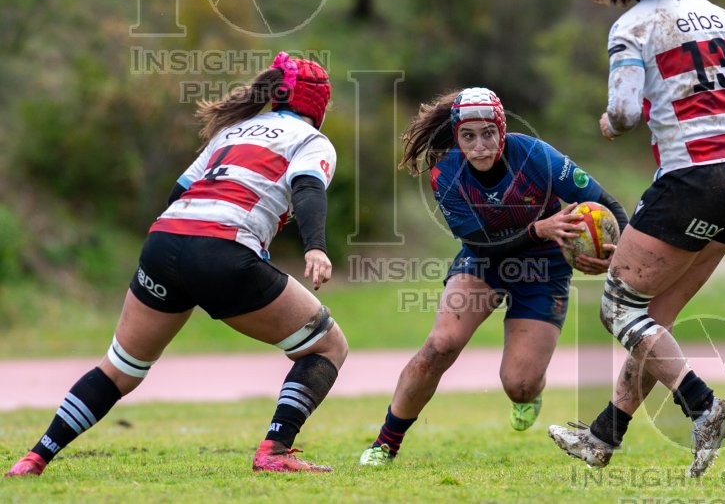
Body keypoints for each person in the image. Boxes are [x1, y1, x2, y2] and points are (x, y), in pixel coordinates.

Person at [5, 52, 349, 477]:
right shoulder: (312, 141)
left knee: (121, 369)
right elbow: (308, 188)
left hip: (164, 242)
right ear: (319, 106)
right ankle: (274, 451)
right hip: (221, 251)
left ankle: (35, 457)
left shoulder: (232, 131)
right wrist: (316, 247)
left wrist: (184, 263)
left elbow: (179, 192)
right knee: (328, 345)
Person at [547, 0, 725, 478]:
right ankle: (604, 437)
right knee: (654, 321)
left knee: (619, 308)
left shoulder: (634, 25)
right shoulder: (723, 16)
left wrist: (608, 121)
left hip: (692, 178)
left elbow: (624, 111)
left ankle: (703, 406)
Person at [358, 87, 629, 466]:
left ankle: (530, 395)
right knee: (440, 345)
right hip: (484, 261)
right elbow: (480, 246)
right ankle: (385, 444)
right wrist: (538, 229)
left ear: (502, 131)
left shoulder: (537, 156)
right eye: (468, 136)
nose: (480, 146)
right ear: (457, 137)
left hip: (544, 267)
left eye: (489, 134)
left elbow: (610, 206)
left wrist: (612, 255)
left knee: (520, 385)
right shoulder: (446, 173)